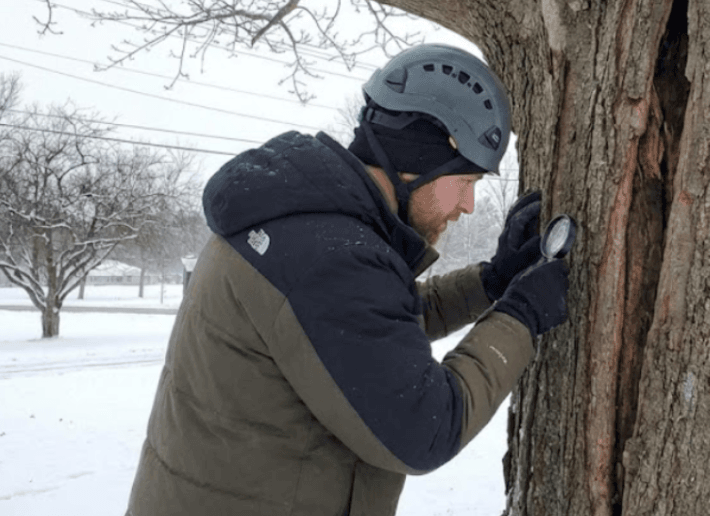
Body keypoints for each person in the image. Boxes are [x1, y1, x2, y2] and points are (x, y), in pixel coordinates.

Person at [127, 44, 571, 516]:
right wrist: (519, 317)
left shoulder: (302, 226)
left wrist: (492, 282)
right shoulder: (327, 255)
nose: (468, 206)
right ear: (420, 163)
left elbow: (364, 338)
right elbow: (423, 428)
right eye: (466, 183)